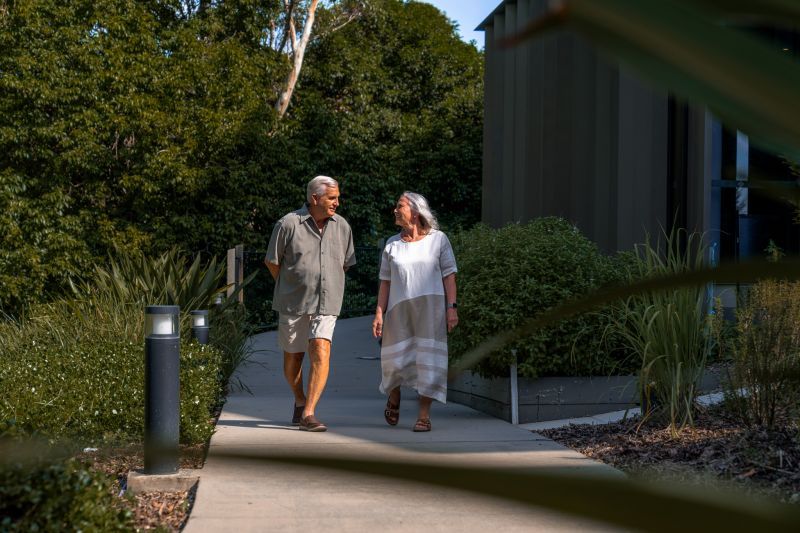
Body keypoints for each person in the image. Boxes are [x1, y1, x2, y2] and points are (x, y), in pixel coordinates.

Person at [265, 175, 356, 432]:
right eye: (332, 198)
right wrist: (292, 285)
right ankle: (299, 399)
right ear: (315, 198)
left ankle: (309, 412)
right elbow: (272, 262)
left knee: (320, 348)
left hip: (327, 302)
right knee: (294, 357)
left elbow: (345, 263)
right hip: (293, 303)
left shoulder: (342, 226)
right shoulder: (288, 224)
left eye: (337, 198)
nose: (337, 203)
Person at [371, 192, 458, 432]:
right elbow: (385, 282)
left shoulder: (438, 240)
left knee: (429, 361)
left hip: (430, 312)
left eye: (400, 206)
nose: (395, 210)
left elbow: (449, 276)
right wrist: (379, 313)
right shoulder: (392, 244)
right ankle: (394, 394)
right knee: (394, 360)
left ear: (416, 212)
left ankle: (424, 415)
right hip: (399, 313)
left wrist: (452, 308)